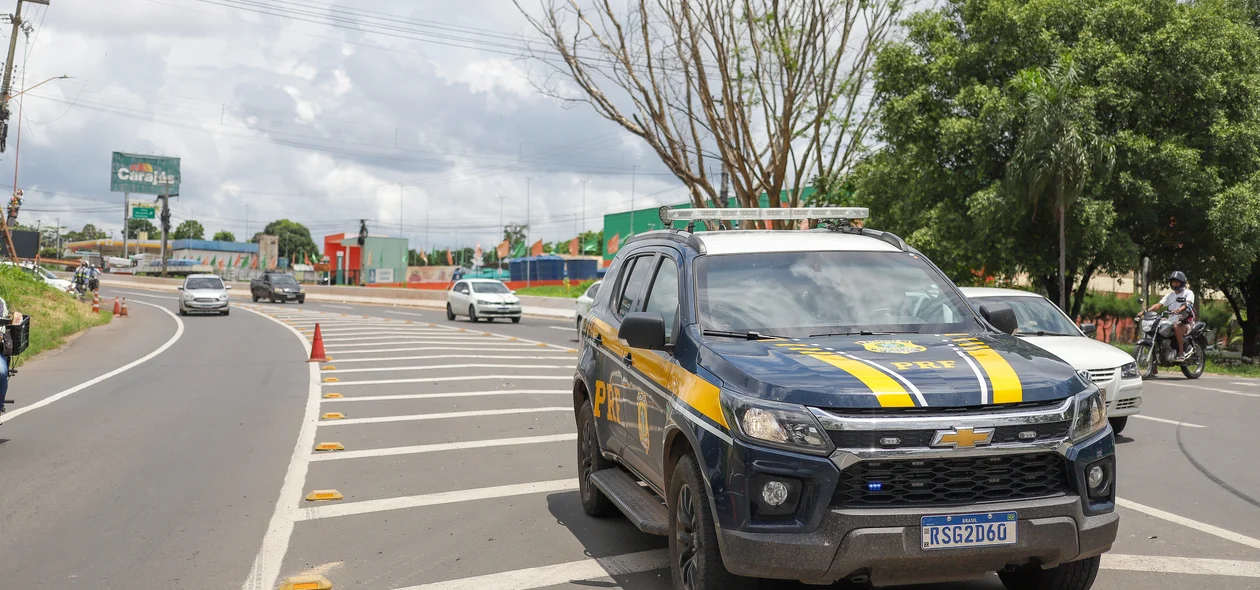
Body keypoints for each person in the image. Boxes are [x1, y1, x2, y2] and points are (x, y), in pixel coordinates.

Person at [1146, 270, 1196, 362]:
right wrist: (1146, 311)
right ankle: (1154, 365)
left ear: (1182, 283)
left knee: (1176, 326)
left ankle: (1181, 353)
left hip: (1186, 322)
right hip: (1170, 322)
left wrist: (1180, 309)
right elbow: (1159, 305)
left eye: (1177, 282)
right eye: (1173, 282)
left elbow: (1187, 303)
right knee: (1156, 327)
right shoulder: (1170, 295)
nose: (1175, 284)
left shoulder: (1188, 293)